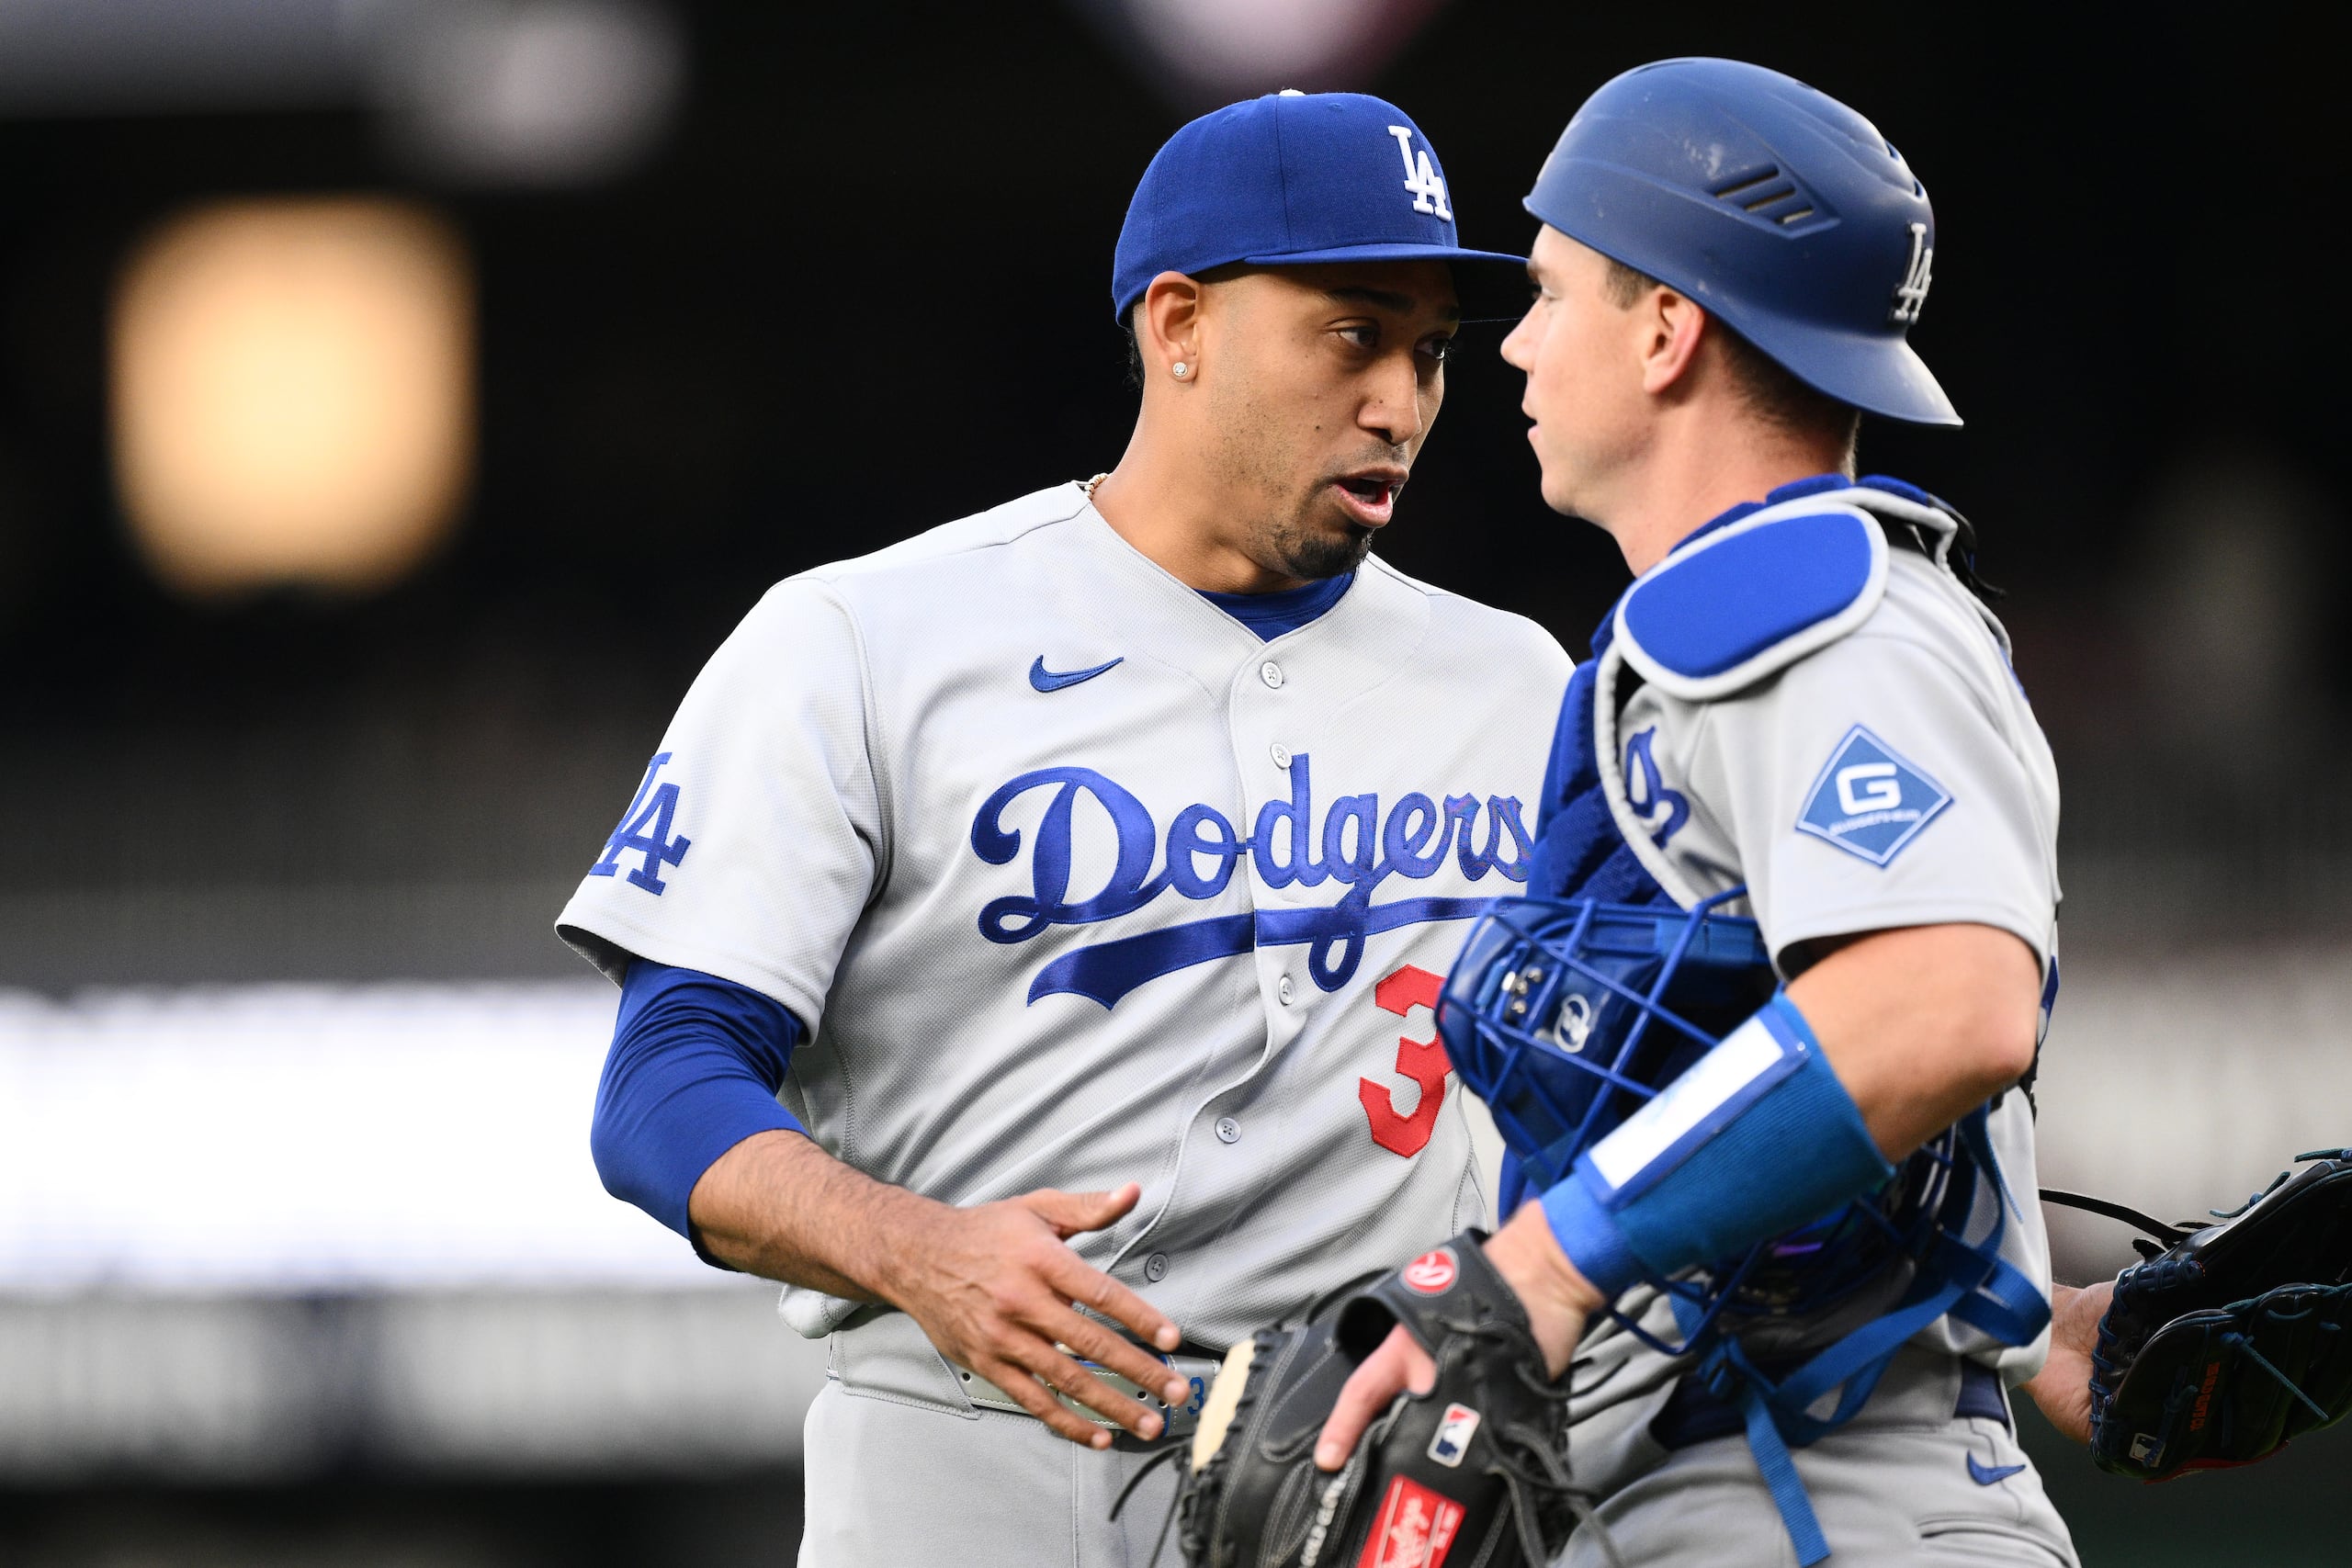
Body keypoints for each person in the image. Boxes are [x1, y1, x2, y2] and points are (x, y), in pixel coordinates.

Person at [554, 90, 1568, 1565]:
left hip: (1368, 1468)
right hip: (968, 1456)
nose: (1400, 402)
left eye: (1430, 352)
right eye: (1353, 332)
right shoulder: (861, 640)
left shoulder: (1519, 682)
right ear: (1178, 325)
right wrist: (918, 1250)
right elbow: (659, 1092)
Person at [1313, 59, 2082, 1566]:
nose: (1517, 349)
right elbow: (1815, 1076)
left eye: (1549, 294)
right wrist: (2041, 1319)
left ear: (1668, 328)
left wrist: (1547, 1262)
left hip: (1819, 1503)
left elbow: (1945, 1002)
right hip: (1720, 1489)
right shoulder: (1728, 635)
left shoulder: (1816, 610)